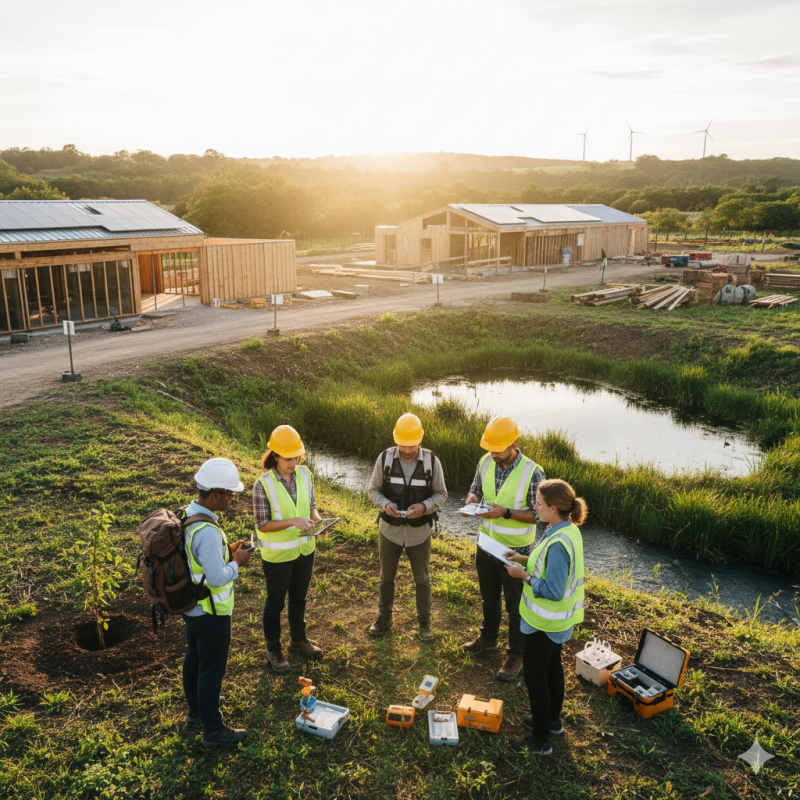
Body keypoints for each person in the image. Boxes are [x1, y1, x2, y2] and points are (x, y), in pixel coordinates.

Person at [503, 479, 587, 755]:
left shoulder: (558, 543)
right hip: (557, 622)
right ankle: (551, 722)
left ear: (553, 508)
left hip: (545, 622)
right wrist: (522, 558)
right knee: (552, 668)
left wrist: (524, 577)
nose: (534, 507)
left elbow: (553, 590)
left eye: (538, 503)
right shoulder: (566, 529)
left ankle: (540, 742)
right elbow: (547, 566)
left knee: (535, 678)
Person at [461, 415, 545, 681]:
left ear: (514, 445)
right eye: (490, 449)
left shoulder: (533, 472)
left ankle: (517, 655)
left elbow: (539, 515)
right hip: (486, 544)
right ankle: (488, 639)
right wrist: (472, 500)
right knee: (489, 597)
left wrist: (505, 512)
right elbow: (476, 489)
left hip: (515, 550)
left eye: (498, 450)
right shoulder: (486, 461)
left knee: (516, 606)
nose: (493, 454)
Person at [183, 457, 253, 748]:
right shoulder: (208, 531)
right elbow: (216, 578)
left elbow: (198, 560)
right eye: (229, 493)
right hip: (211, 613)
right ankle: (213, 731)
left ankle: (196, 710)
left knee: (194, 659)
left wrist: (228, 550)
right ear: (214, 495)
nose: (231, 498)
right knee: (211, 671)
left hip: (191, 608)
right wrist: (237, 563)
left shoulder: (188, 514)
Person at [367, 413, 448, 641]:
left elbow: (441, 494)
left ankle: (424, 622)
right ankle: (384, 617)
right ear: (396, 440)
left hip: (419, 533)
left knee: (422, 579)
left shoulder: (432, 462)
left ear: (420, 439)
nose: (407, 450)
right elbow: (373, 490)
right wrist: (385, 504)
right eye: (403, 445)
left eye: (412, 445)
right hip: (389, 531)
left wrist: (424, 507)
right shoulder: (384, 459)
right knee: (386, 577)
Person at [253, 425, 323, 673]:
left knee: (298, 598)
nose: (293, 463)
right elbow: (262, 524)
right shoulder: (262, 485)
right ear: (275, 456)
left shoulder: (305, 474)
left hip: (305, 550)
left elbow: (311, 505)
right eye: (288, 459)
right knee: (275, 603)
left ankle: (298, 640)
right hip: (278, 555)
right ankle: (273, 650)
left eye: (297, 458)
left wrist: (317, 519)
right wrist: (293, 521)